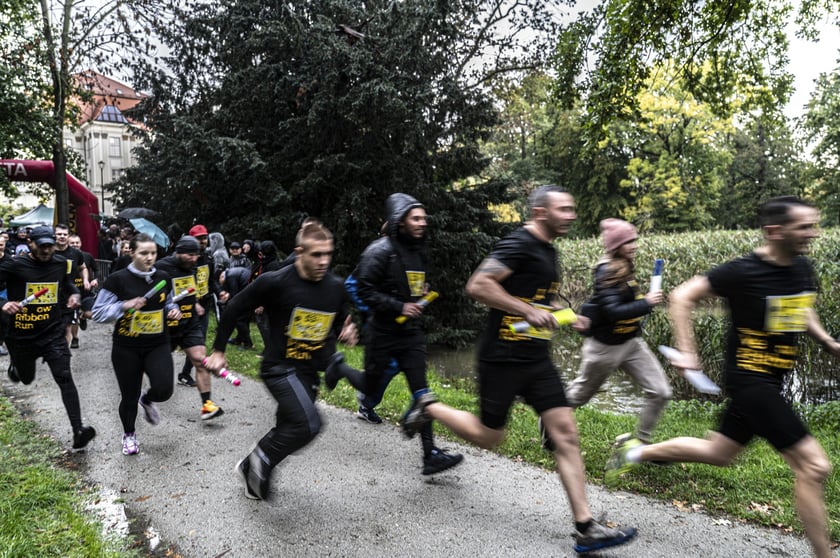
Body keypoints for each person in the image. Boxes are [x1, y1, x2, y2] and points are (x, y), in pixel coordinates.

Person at [400, 186, 638, 554]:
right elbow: (478, 285)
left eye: (572, 208)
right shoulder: (518, 244)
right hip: (502, 357)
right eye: (565, 209)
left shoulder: (547, 249)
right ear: (541, 212)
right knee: (488, 436)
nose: (572, 215)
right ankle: (428, 407)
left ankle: (586, 527)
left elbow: (540, 297)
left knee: (566, 434)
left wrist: (565, 314)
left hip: (536, 358)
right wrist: (525, 310)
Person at [606, 196, 838, 558]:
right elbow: (682, 296)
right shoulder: (744, 271)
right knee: (814, 465)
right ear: (775, 231)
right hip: (750, 380)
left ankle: (634, 452)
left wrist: (826, 341)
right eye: (804, 226)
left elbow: (799, 306)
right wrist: (688, 352)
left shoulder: (800, 268)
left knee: (719, 452)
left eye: (814, 225)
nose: (813, 233)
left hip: (773, 380)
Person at [205, 220, 358, 500]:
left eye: (328, 254)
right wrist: (218, 351)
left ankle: (252, 467)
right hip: (279, 367)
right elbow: (233, 309)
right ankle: (259, 461)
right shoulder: (274, 281)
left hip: (309, 371)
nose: (324, 261)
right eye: (316, 255)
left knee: (290, 429)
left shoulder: (335, 287)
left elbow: (335, 322)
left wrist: (345, 330)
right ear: (300, 252)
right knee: (309, 424)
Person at [324, 193, 463, 475]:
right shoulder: (379, 251)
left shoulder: (419, 250)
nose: (423, 222)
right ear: (400, 221)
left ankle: (430, 455)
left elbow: (410, 284)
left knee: (422, 393)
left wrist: (419, 294)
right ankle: (339, 368)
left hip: (410, 335)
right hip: (383, 333)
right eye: (416, 218)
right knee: (371, 387)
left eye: (424, 217)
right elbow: (362, 290)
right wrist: (400, 305)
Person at [557, 218, 671, 448]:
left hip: (631, 343)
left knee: (660, 392)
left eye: (635, 240)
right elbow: (612, 311)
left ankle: (638, 444)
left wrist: (643, 301)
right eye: (629, 242)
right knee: (579, 396)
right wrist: (647, 303)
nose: (635, 245)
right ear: (616, 246)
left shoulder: (626, 266)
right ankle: (550, 417)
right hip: (604, 348)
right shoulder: (605, 270)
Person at [0, 225, 96, 449]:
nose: (46, 250)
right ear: (31, 244)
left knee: (64, 376)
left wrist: (73, 294)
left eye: (49, 246)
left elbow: (67, 284)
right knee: (25, 378)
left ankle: (78, 431)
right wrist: (4, 304)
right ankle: (16, 367)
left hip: (51, 332)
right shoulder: (15, 265)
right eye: (42, 246)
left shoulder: (60, 264)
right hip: (21, 336)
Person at [91, 233, 182, 455]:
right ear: (132, 253)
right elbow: (98, 312)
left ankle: (148, 399)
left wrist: (173, 311)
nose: (149, 257)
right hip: (126, 347)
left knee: (164, 389)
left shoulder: (163, 277)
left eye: (153, 253)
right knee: (129, 396)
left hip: (157, 343)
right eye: (144, 253)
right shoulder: (118, 280)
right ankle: (129, 434)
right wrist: (124, 305)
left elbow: (169, 301)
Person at [156, 236, 226, 420]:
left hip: (190, 323)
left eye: (197, 255)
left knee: (200, 360)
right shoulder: (162, 266)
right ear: (178, 251)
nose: (194, 259)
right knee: (158, 371)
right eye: (190, 254)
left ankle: (207, 406)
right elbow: (154, 295)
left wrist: (195, 303)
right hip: (166, 327)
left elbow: (188, 288)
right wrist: (167, 309)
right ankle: (143, 395)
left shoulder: (192, 267)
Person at [177, 224, 228, 385]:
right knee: (175, 338)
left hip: (204, 307)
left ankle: (185, 373)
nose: (203, 241)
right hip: (185, 307)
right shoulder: (185, 261)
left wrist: (219, 291)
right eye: (199, 238)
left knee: (198, 342)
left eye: (205, 238)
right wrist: (192, 302)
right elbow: (180, 284)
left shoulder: (208, 259)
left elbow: (211, 281)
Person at [53, 224, 89, 349]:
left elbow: (82, 267)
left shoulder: (75, 253)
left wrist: (85, 280)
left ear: (68, 236)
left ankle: (63, 353)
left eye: (64, 234)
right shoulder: (49, 251)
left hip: (69, 294)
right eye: (59, 234)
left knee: (67, 326)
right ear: (54, 235)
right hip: (51, 294)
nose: (62, 236)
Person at [68, 234, 98, 341]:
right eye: (72, 243)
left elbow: (96, 269)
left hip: (85, 291)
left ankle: (83, 316)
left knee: (91, 314)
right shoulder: (64, 257)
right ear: (68, 243)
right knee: (73, 319)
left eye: (77, 242)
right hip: (71, 293)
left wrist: (95, 279)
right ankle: (75, 338)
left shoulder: (87, 256)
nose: (75, 245)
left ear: (80, 244)